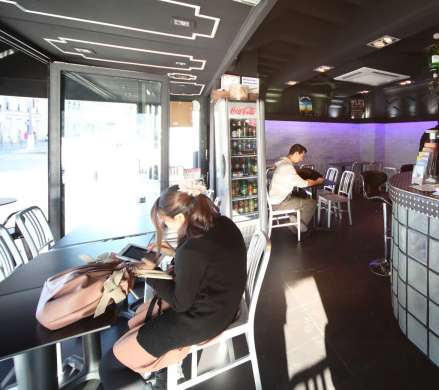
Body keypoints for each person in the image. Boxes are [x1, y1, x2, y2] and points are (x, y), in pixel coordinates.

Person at [99, 181, 247, 390]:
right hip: (226, 307)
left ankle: (160, 371)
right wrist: (176, 253)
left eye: (166, 222)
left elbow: (180, 303)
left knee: (109, 368)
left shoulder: (191, 249)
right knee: (145, 315)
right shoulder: (223, 223)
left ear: (180, 217)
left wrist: (151, 273)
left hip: (201, 322)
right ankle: (164, 372)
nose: (166, 226)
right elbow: (208, 259)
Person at [268, 143, 323, 235]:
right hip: (279, 203)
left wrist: (305, 181)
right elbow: (303, 184)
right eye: (301, 156)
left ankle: (295, 219)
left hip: (275, 200)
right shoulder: (287, 167)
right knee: (312, 203)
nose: (301, 159)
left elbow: (296, 181)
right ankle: (297, 225)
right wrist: (317, 181)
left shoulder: (282, 163)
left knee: (302, 196)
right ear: (296, 153)